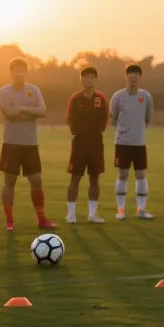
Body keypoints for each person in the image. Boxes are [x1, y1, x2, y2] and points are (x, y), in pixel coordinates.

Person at [0, 58, 57, 231]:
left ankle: (41, 219)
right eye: (16, 70)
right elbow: (9, 113)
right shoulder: (3, 92)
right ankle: (9, 221)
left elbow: (43, 111)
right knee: (10, 182)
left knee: (37, 180)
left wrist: (22, 109)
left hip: (31, 144)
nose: (20, 74)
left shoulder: (34, 90)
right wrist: (31, 111)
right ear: (11, 73)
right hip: (11, 143)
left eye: (23, 70)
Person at [109, 64, 155, 220]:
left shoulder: (146, 96)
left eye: (136, 75)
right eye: (131, 74)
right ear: (126, 77)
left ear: (140, 77)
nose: (133, 77)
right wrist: (124, 130)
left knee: (141, 174)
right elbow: (113, 117)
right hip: (122, 142)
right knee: (122, 174)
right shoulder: (118, 96)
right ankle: (120, 210)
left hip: (139, 142)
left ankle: (141, 209)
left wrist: (138, 130)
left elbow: (147, 117)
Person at [66, 66, 108, 224]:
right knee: (75, 178)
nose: (89, 80)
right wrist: (77, 131)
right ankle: (71, 215)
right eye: (86, 77)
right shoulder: (75, 99)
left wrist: (98, 131)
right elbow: (70, 118)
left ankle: (92, 215)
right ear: (81, 80)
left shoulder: (101, 98)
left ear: (95, 80)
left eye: (92, 77)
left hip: (96, 143)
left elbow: (104, 119)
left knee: (95, 179)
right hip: (79, 144)